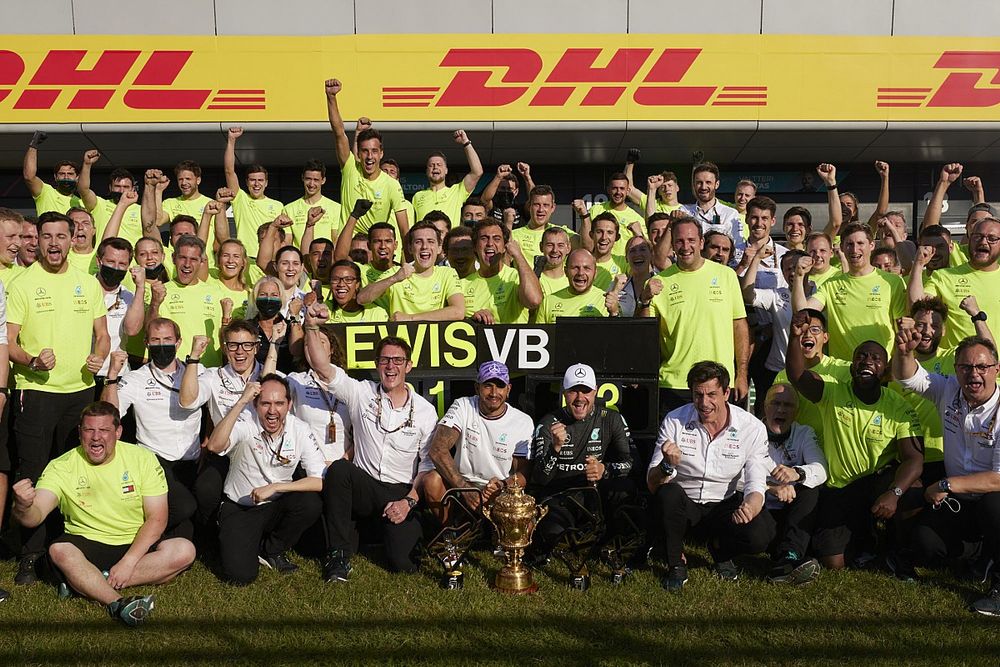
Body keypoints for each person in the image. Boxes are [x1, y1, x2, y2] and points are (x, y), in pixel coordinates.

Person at [11, 402, 195, 626]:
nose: (96, 437)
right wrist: (23, 506)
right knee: (59, 550)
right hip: (87, 542)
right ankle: (118, 603)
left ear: (118, 432)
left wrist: (128, 562)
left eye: (104, 430)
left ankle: (87, 583)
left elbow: (157, 518)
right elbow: (35, 516)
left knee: (184, 550)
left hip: (134, 542)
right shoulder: (61, 466)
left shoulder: (142, 458)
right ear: (80, 432)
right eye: (89, 430)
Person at [8, 212, 110, 585]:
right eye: (47, 236)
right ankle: (30, 554)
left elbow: (103, 334)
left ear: (73, 238)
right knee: (33, 471)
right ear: (37, 240)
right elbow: (9, 342)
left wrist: (99, 355)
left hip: (80, 391)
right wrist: (32, 360)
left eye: (61, 236)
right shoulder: (21, 283)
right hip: (36, 392)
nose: (54, 243)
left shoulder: (88, 283)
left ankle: (72, 544)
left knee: (77, 471)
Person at [786, 311, 924, 571]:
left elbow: (914, 459)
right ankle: (867, 538)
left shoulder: (898, 406)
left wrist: (894, 493)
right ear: (851, 367)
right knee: (833, 562)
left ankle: (901, 550)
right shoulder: (832, 392)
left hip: (877, 483)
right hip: (840, 489)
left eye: (876, 358)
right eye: (861, 356)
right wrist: (794, 338)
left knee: (912, 487)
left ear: (885, 370)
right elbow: (797, 375)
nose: (867, 361)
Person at [304, 315, 438, 581]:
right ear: (377, 365)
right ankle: (338, 556)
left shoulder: (425, 411)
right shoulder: (360, 392)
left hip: (400, 490)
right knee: (340, 470)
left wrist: (408, 502)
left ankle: (392, 531)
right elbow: (322, 366)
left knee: (404, 564)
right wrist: (311, 325)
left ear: (408, 366)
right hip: (365, 486)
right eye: (385, 360)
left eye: (397, 360)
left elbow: (427, 467)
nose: (391, 366)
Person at [893, 331, 1000, 615]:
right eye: (965, 367)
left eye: (982, 367)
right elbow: (907, 377)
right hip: (961, 500)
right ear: (956, 369)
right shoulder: (949, 388)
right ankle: (982, 555)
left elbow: (998, 479)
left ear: (996, 369)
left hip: (990, 496)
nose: (973, 374)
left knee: (994, 506)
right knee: (926, 544)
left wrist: (946, 484)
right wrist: (904, 351)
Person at [647, 361, 772, 591]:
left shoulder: (751, 427)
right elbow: (652, 484)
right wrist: (666, 465)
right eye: (698, 395)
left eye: (712, 394)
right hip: (684, 506)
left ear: (726, 393)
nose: (704, 403)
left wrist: (751, 507)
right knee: (668, 493)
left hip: (724, 505)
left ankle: (720, 550)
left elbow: (756, 480)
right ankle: (675, 563)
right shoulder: (674, 420)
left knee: (761, 534)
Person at [206, 375, 325, 584]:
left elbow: (319, 480)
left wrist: (277, 487)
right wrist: (241, 402)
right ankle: (237, 538)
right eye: (265, 404)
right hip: (241, 507)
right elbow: (214, 446)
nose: (272, 411)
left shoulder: (299, 429)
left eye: (279, 403)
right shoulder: (245, 421)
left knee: (310, 503)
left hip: (276, 504)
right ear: (255, 405)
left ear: (289, 405)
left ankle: (272, 549)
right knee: (241, 576)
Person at [102, 319, 203, 541]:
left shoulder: (197, 371)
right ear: (146, 343)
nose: (162, 345)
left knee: (187, 530)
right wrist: (112, 376)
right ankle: (128, 532)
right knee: (184, 507)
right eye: (155, 340)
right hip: (154, 460)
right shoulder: (136, 379)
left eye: (167, 339)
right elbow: (109, 415)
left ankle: (155, 532)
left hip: (191, 459)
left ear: (178, 343)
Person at [637, 218, 749, 414]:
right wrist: (644, 300)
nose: (685, 246)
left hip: (719, 383)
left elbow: (739, 327)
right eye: (679, 241)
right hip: (674, 384)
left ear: (701, 242)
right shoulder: (658, 282)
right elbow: (644, 335)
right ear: (672, 245)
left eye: (691, 240)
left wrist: (742, 374)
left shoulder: (726, 275)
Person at [528, 363, 634, 566]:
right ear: (564, 393)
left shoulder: (612, 419)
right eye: (573, 391)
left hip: (595, 495)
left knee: (624, 488)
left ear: (595, 392)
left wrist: (605, 469)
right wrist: (555, 448)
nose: (580, 398)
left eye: (585, 391)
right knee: (552, 535)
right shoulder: (548, 422)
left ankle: (611, 539)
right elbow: (540, 478)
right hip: (561, 496)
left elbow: (632, 463)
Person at [420, 361, 533, 522]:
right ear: (477, 388)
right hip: (461, 485)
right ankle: (451, 533)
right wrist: (465, 488)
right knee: (432, 480)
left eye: (500, 386)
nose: (494, 393)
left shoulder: (523, 421)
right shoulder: (463, 405)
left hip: (499, 490)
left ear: (508, 389)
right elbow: (437, 450)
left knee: (524, 525)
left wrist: (502, 486)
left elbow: (524, 472)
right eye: (488, 386)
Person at [792, 223, 906, 360]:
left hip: (879, 366)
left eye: (860, 243)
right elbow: (802, 313)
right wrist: (799, 276)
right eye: (849, 244)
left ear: (871, 245)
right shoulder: (831, 284)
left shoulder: (892, 282)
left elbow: (901, 328)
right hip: (841, 368)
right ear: (842, 247)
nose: (854, 249)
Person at [325, 79, 409, 241]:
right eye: (365, 151)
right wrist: (331, 97)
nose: (370, 157)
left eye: (374, 151)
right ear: (358, 153)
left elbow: (404, 229)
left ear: (381, 153)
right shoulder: (350, 168)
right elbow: (339, 132)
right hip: (348, 249)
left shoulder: (391, 184)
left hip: (375, 250)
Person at [759, 383, 828, 584]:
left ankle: (789, 557)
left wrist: (797, 473)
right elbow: (735, 476)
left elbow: (821, 469)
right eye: (775, 403)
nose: (781, 410)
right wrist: (771, 488)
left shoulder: (804, 433)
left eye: (788, 405)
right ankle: (783, 553)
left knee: (811, 488)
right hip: (760, 508)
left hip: (790, 509)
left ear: (796, 412)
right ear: (764, 407)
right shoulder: (750, 431)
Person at [913, 218, 1000, 349]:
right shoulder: (944, 277)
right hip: (954, 361)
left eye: (992, 238)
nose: (983, 242)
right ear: (969, 240)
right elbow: (917, 306)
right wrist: (918, 264)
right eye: (977, 236)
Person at [357, 221, 465, 322]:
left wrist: (411, 318)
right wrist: (394, 278)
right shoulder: (396, 273)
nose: (424, 247)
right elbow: (362, 298)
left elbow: (458, 312)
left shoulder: (447, 273)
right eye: (418, 242)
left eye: (430, 241)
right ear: (410, 248)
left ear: (439, 248)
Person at [773, 308, 851, 446]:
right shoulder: (782, 376)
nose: (808, 334)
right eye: (802, 330)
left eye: (815, 330)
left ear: (825, 337)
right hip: (796, 451)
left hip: (830, 452)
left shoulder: (844, 371)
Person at [145, 235, 226, 367]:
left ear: (201, 262)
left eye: (193, 259)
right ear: (173, 258)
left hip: (210, 370)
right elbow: (150, 330)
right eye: (182, 257)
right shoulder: (160, 291)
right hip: (174, 369)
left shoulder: (216, 293)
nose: (187, 264)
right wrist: (155, 303)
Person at [287, 325, 352, 465]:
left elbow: (363, 434)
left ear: (332, 349)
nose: (313, 347)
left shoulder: (347, 383)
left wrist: (341, 464)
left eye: (320, 342)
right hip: (308, 468)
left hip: (344, 468)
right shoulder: (296, 380)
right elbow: (267, 388)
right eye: (307, 343)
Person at [463, 220, 542, 324]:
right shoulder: (463, 284)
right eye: (484, 238)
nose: (490, 243)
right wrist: (472, 320)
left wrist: (518, 255)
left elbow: (534, 301)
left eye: (496, 239)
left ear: (505, 246)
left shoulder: (516, 277)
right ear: (475, 246)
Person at [223, 127, 285, 258]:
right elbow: (229, 171)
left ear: (266, 183)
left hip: (269, 260)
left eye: (260, 180)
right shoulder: (240, 199)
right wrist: (231, 140)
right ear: (247, 182)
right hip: (246, 259)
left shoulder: (278, 205)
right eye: (252, 180)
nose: (256, 184)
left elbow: (285, 238)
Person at [93, 238, 145, 386]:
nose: (116, 268)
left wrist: (140, 287)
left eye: (122, 264)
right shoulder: (84, 289)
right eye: (110, 262)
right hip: (84, 372)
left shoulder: (129, 297)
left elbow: (132, 330)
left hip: (117, 374)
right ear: (99, 261)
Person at [412, 130, 484, 227]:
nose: (435, 167)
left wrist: (466, 142)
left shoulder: (457, 191)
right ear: (427, 171)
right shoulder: (417, 196)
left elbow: (477, 172)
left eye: (439, 165)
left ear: (446, 170)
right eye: (431, 165)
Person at [77, 151, 144, 247]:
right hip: (104, 254)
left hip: (131, 256)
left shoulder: (141, 210)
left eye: (126, 187)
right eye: (117, 186)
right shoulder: (99, 204)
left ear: (133, 189)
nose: (121, 190)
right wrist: (87, 164)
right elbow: (83, 190)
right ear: (110, 188)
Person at [535, 249, 616, 322]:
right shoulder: (549, 301)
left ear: (595, 273)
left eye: (586, 268)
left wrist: (614, 314)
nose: (580, 273)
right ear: (566, 272)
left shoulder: (605, 301)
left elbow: (616, 333)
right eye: (575, 268)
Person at [682, 162, 744, 255]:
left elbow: (738, 247)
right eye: (699, 183)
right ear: (694, 185)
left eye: (708, 182)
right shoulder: (684, 211)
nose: (703, 187)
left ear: (717, 184)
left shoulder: (730, 214)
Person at [280, 159, 343, 251]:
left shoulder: (336, 208)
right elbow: (288, 242)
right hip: (300, 258)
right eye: (308, 179)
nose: (311, 184)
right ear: (302, 178)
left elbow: (335, 240)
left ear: (323, 180)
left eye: (316, 180)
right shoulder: (288, 209)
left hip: (325, 258)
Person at [510, 185, 578, 270]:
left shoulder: (562, 233)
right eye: (536, 205)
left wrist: (584, 216)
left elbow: (587, 246)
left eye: (545, 205)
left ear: (553, 208)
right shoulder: (514, 235)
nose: (541, 210)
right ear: (529, 206)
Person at [22, 131, 83, 216]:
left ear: (77, 177)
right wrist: (33, 145)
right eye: (62, 174)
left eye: (70, 174)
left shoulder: (82, 203)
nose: (66, 177)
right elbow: (29, 177)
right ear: (55, 177)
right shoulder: (46, 192)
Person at [586, 172, 645, 253]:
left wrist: (639, 234)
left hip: (623, 261)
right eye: (614, 188)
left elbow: (648, 249)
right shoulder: (595, 210)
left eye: (622, 188)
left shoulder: (637, 219)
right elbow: (585, 240)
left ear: (628, 191)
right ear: (608, 190)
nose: (618, 192)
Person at [578, 210, 628, 291]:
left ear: (617, 237)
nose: (604, 237)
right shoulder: (580, 263)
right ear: (591, 235)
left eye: (610, 232)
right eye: (599, 232)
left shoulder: (624, 263)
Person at [537, 226, 572, 296]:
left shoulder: (574, 280)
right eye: (550, 245)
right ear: (541, 247)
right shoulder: (533, 279)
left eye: (560, 245)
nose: (555, 250)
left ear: (568, 248)